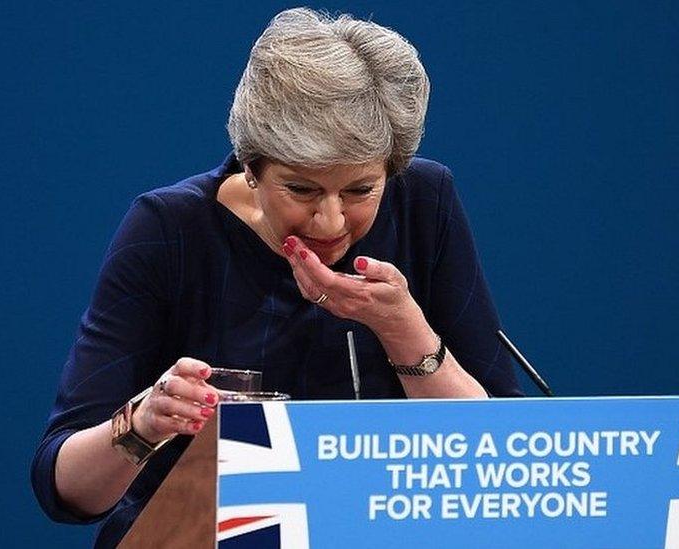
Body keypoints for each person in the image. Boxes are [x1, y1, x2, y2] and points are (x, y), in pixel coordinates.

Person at [32, 7, 522, 547]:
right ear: (251, 164)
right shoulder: (170, 229)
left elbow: (499, 462)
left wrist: (404, 330)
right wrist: (144, 424)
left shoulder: (425, 203)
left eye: (360, 191)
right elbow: (66, 490)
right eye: (302, 190)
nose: (331, 220)